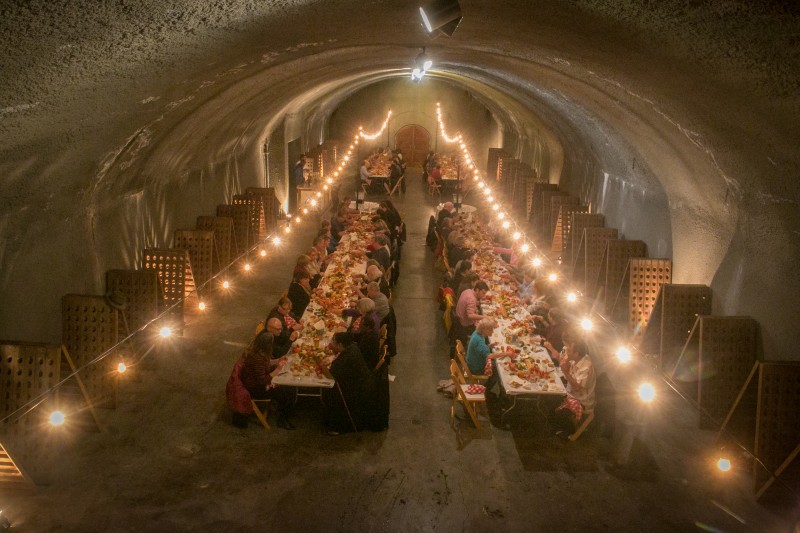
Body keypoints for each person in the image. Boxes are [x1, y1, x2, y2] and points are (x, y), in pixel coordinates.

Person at [236, 331, 296, 429]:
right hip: (256, 389)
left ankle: (288, 410)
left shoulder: (258, 352)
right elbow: (263, 381)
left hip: (257, 383)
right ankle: (283, 419)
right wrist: (278, 369)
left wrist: (278, 360)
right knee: (286, 391)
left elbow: (266, 363)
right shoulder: (257, 359)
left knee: (289, 387)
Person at [322, 332, 379, 434]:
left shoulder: (348, 357)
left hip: (355, 388)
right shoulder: (353, 347)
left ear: (340, 345)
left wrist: (320, 364)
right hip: (364, 381)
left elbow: (331, 376)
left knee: (329, 391)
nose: (332, 343)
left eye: (334, 342)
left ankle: (337, 427)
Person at [554, 339, 596, 435]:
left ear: (576, 354)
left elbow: (577, 387)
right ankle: (557, 424)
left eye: (569, 350)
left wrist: (565, 371)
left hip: (581, 400)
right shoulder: (575, 359)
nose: (566, 352)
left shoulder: (586, 367)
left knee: (558, 412)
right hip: (570, 391)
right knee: (550, 397)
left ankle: (568, 431)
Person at [454, 280, 488, 348]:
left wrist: (481, 303)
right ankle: (482, 348)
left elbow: (469, 305)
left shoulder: (468, 291)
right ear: (477, 290)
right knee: (486, 331)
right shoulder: (472, 299)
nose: (484, 296)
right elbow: (470, 315)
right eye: (483, 293)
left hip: (458, 319)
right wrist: (485, 317)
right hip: (464, 326)